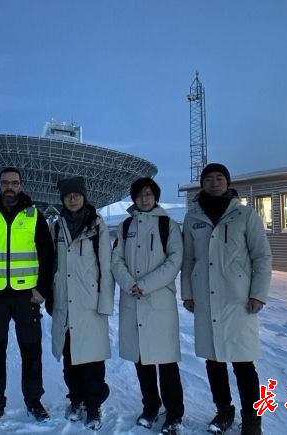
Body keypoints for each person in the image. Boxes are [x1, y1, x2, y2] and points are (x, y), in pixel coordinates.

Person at [181, 163, 272, 435]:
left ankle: (252, 419)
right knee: (214, 361)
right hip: (205, 298)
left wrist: (258, 293)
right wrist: (187, 293)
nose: (214, 182)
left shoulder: (245, 215)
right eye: (208, 178)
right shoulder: (192, 218)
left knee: (243, 363)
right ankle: (223, 411)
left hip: (238, 299)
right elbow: (188, 260)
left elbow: (262, 256)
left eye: (219, 177)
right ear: (202, 184)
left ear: (228, 182)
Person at [0, 167, 54, 431]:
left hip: (27, 297)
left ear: (21, 185)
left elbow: (48, 256)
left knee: (31, 351)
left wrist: (43, 290)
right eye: (5, 183)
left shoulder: (34, 215)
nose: (10, 187)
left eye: (14, 183)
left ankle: (34, 400)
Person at [111, 177, 185, 435]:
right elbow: (116, 259)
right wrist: (129, 283)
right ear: (133, 198)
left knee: (166, 362)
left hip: (158, 302)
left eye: (148, 194)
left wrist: (145, 284)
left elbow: (175, 260)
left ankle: (174, 414)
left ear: (155, 196)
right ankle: (151, 406)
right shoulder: (125, 225)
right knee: (141, 361)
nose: (144, 198)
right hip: (133, 300)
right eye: (139, 195)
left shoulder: (168, 225)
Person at [47, 176, 114, 431]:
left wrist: (106, 302)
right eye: (68, 195)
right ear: (63, 199)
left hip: (91, 303)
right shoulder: (56, 227)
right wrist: (52, 298)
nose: (73, 198)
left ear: (84, 196)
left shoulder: (97, 225)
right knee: (70, 357)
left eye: (77, 194)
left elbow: (106, 267)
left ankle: (94, 405)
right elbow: (51, 266)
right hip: (65, 302)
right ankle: (75, 399)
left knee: (93, 359)